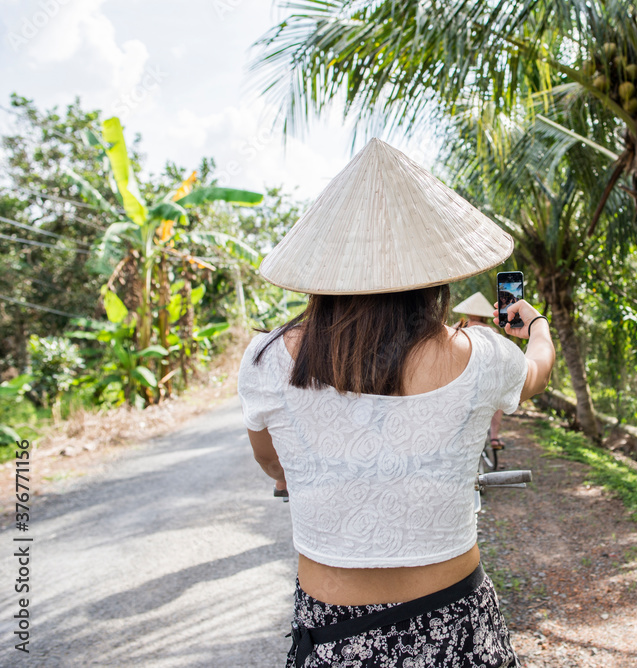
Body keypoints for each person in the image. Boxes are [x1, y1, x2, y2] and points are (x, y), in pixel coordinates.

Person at [236, 138, 555, 668]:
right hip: (457, 629)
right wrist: (536, 325)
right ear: (435, 273)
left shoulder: (266, 359)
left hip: (336, 638)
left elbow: (273, 464)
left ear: (325, 272)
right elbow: (538, 372)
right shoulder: (484, 354)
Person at [450, 292, 506, 451]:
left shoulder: (458, 327)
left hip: (461, 375)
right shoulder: (492, 330)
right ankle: (494, 437)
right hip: (486, 376)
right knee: (497, 402)